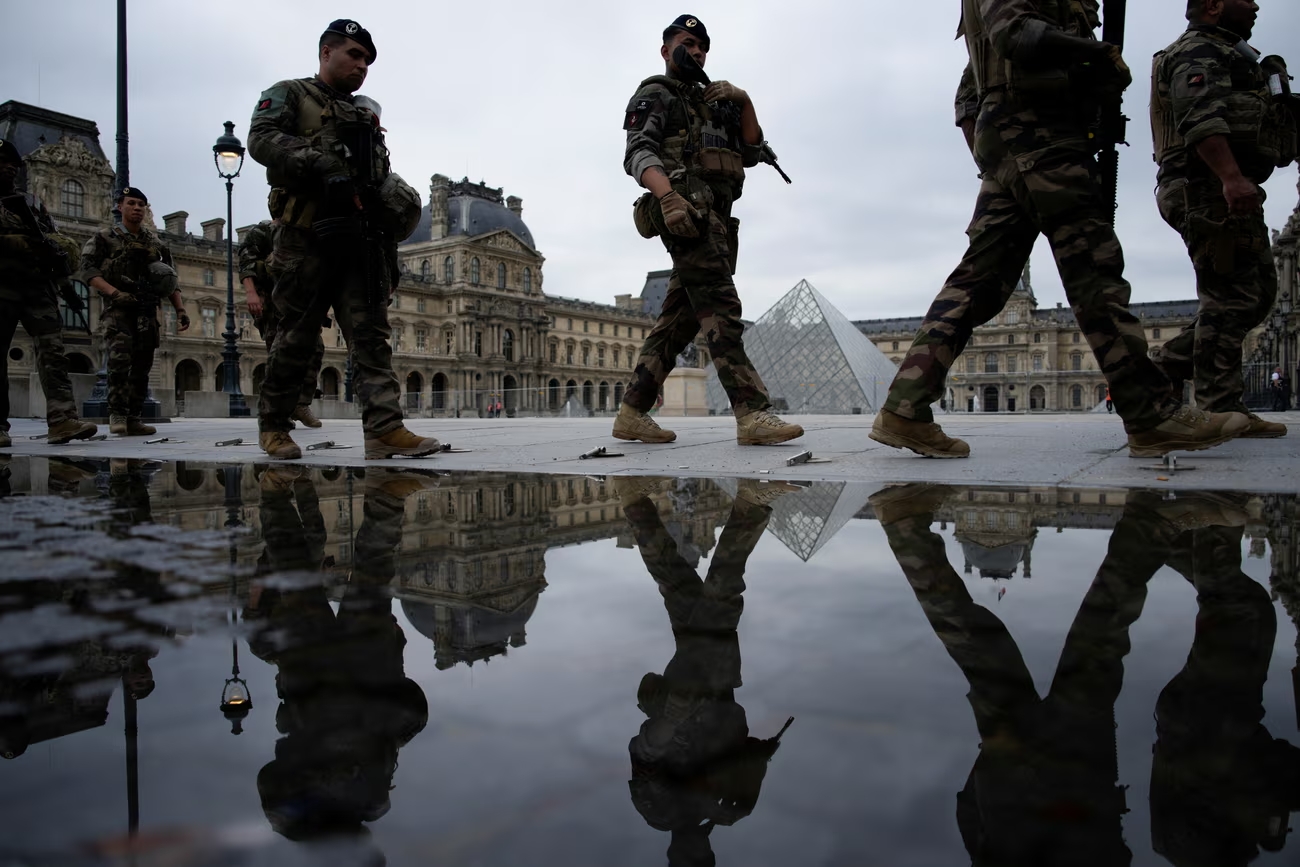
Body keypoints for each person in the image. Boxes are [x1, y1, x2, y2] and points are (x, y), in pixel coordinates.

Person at [869, 0, 1250, 459]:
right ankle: (1151, 414)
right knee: (1093, 266)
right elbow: (1016, 34)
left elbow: (971, 92)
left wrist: (996, 158)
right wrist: (1093, 55)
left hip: (1015, 135)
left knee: (979, 281)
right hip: (1040, 134)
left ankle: (905, 406)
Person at [247, 18, 435, 460]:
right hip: (305, 238)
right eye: (354, 54)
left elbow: (377, 189)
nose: (362, 65)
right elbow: (261, 139)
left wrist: (389, 259)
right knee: (295, 337)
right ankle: (273, 426)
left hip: (361, 243)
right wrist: (317, 163)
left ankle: (385, 429)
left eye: (367, 60)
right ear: (326, 52)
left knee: (372, 341)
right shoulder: (290, 93)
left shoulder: (364, 117)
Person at [614, 15, 804, 447]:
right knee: (722, 307)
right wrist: (667, 197)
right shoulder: (656, 93)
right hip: (686, 211)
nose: (696, 51)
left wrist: (745, 99)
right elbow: (637, 153)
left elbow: (753, 150)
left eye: (702, 46)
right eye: (687, 42)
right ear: (666, 50)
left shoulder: (716, 100)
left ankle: (632, 412)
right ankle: (752, 413)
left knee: (679, 320)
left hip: (715, 216)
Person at [617, 476, 796, 865]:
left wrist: (671, 719)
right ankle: (633, 501)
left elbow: (644, 753)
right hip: (720, 685)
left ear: (675, 858)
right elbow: (745, 752)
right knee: (676, 581)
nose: (699, 855)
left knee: (723, 591)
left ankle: (752, 504)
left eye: (690, 864)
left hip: (692, 689)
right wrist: (753, 782)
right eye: (704, 862)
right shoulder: (727, 809)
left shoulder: (660, 815)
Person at [1150, 0, 1296, 439]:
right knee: (1228, 295)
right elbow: (1200, 117)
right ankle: (1221, 406)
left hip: (1222, 186)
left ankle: (1167, 364)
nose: (1254, 5)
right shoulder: (1199, 50)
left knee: (1256, 294)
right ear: (1212, 6)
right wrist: (1230, 178)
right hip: (1207, 186)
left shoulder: (1231, 51)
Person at [0, 138, 97, 447]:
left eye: (13, 164)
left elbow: (51, 239)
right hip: (2, 287)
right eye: (4, 162)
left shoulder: (31, 203)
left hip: (39, 288)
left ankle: (62, 419)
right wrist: (23, 244)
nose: (10, 168)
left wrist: (63, 274)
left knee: (53, 354)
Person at [79, 187, 190, 436]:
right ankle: (117, 413)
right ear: (120, 207)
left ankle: (133, 417)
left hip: (147, 309)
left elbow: (170, 280)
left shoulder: (156, 243)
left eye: (141, 204)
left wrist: (180, 309)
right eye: (131, 203)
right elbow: (87, 270)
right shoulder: (104, 237)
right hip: (118, 308)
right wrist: (114, 292)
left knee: (143, 365)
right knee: (119, 362)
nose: (137, 208)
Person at [238, 219, 323, 428]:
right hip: (271, 302)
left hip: (299, 303)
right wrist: (251, 293)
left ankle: (301, 404)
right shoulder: (264, 230)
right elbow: (246, 262)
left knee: (316, 349)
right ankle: (278, 412)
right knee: (279, 355)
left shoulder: (307, 235)